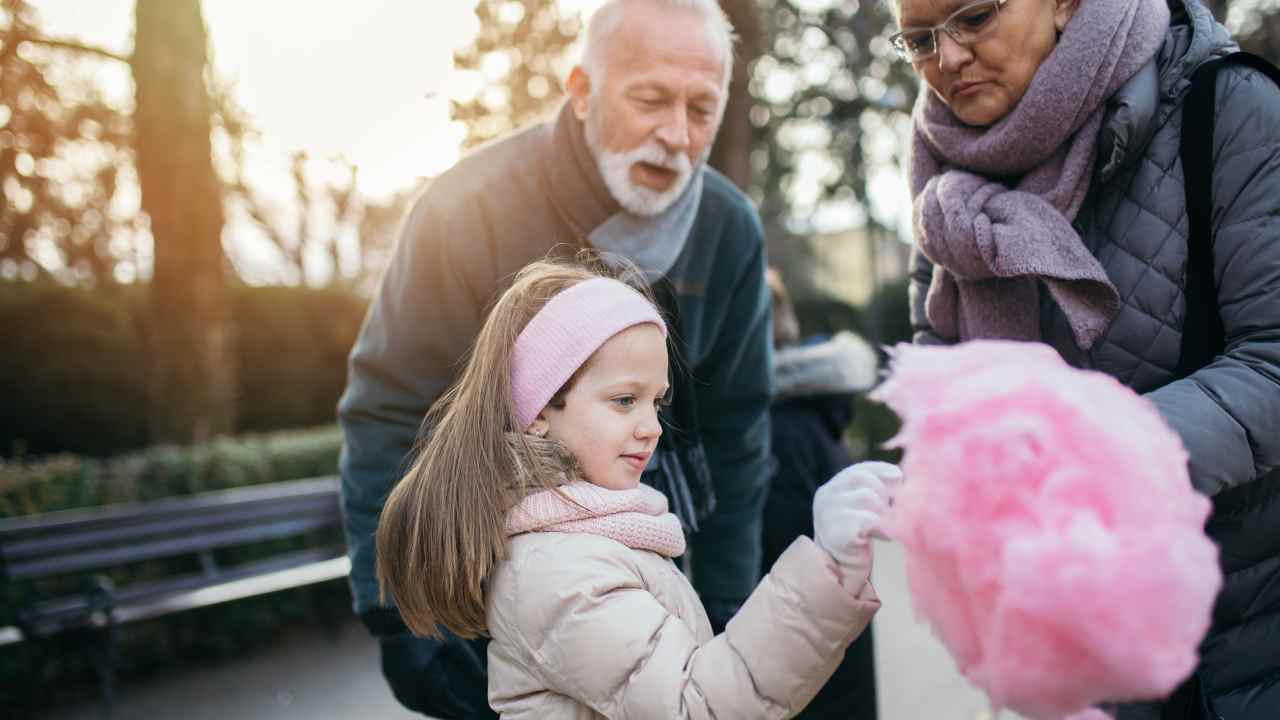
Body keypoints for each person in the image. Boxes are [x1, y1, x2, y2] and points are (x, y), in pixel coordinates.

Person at [337, 1, 774, 716]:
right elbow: (388, 407)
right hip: (484, 593)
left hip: (657, 583)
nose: (677, 135)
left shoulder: (729, 230)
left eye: (703, 108)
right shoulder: (465, 209)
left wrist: (727, 600)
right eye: (651, 100)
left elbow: (738, 431)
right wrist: (395, 613)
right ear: (580, 90)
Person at [892, 0, 1280, 716]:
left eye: (974, 17)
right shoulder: (945, 193)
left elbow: (1273, 361)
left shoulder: (1227, 106)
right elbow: (940, 382)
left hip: (1243, 646)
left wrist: (1079, 458)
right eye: (918, 39)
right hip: (1076, 657)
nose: (945, 59)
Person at [375, 259, 890, 718]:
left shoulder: (594, 538)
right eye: (624, 400)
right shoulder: (556, 572)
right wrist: (824, 569)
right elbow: (696, 706)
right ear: (537, 415)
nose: (652, 427)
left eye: (657, 403)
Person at [761, 269, 882, 719]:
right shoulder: (812, 413)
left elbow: (779, 547)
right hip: (840, 632)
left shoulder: (775, 430)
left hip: (806, 643)